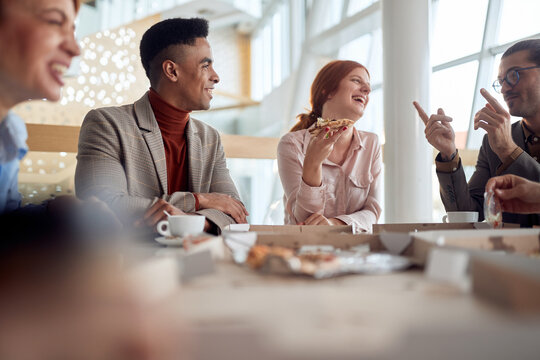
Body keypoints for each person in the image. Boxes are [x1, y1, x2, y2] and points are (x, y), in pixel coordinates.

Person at [75, 17, 248, 234]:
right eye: (206, 65)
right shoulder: (107, 124)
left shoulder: (210, 138)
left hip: (199, 261)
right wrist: (198, 200)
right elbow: (102, 202)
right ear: (172, 71)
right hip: (124, 261)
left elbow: (235, 210)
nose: (216, 77)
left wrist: (187, 221)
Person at [413, 39, 540, 227]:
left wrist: (509, 152)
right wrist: (449, 155)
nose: (504, 88)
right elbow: (466, 213)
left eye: (514, 75)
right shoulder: (492, 141)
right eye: (501, 81)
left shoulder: (501, 142)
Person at [277, 60, 382, 232]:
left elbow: (373, 211)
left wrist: (335, 223)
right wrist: (312, 164)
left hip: (356, 250)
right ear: (328, 91)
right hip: (305, 250)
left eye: (368, 85)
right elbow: (304, 221)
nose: (367, 90)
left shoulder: (371, 143)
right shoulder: (292, 144)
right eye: (356, 80)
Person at [0, 0, 80, 213]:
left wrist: (50, 214)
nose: (75, 49)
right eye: (54, 21)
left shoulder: (10, 132)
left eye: (73, 30)